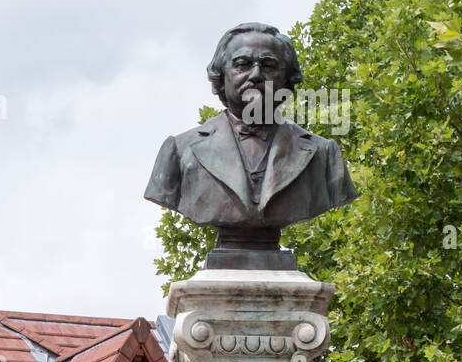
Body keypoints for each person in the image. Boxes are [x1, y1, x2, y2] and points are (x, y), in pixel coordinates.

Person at [145, 23, 356, 238]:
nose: (256, 74)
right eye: (242, 64)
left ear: (286, 79)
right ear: (221, 74)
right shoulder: (179, 151)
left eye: (269, 65)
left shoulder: (324, 155)